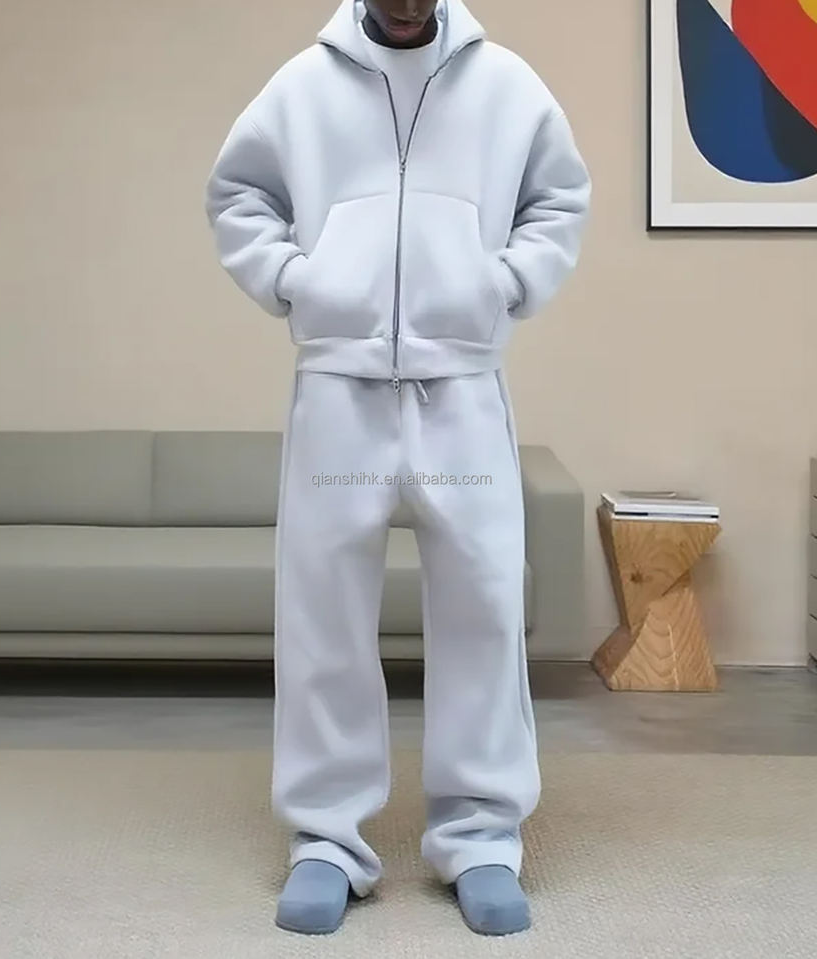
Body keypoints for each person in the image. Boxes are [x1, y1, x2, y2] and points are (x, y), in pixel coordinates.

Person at [205, 0, 591, 937]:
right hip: (338, 387)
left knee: (485, 604)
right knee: (321, 612)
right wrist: (298, 282)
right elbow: (238, 194)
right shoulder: (302, 86)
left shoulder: (508, 86)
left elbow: (558, 200)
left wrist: (501, 284)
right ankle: (327, 839)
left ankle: (481, 836)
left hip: (463, 386)